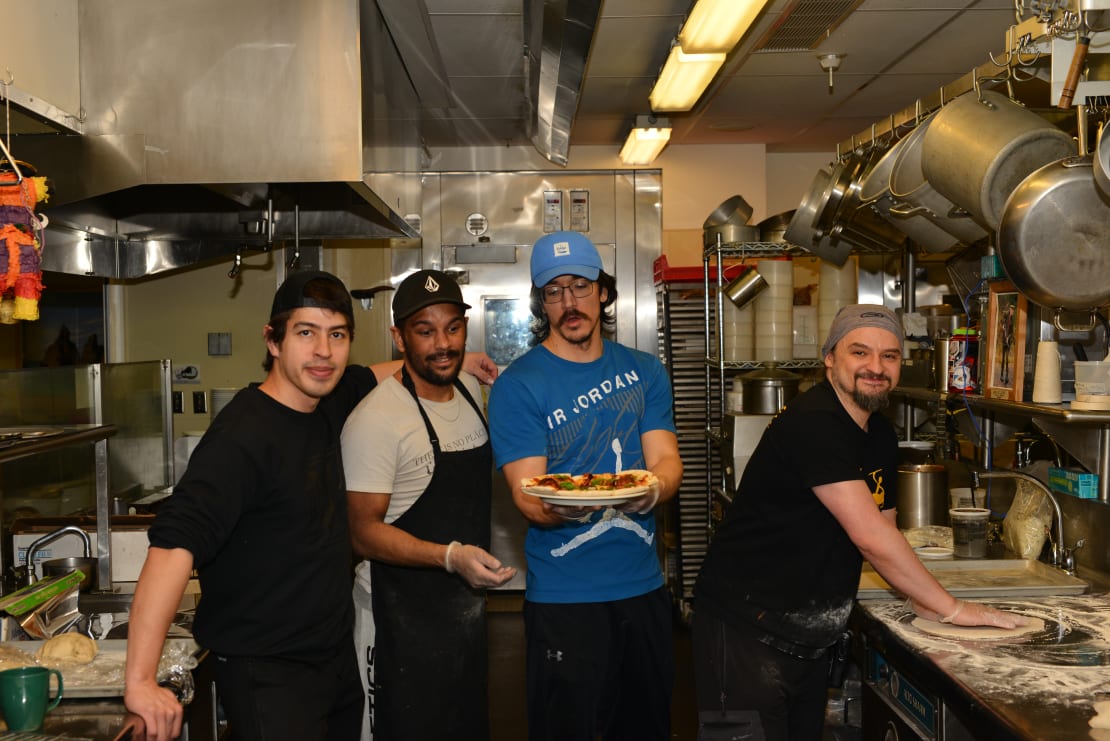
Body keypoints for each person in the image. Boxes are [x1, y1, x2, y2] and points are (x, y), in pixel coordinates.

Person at [123, 270, 496, 741]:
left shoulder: (328, 400)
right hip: (270, 671)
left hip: (334, 660)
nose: (324, 351)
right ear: (273, 341)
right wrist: (139, 680)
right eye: (306, 333)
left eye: (337, 335)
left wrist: (463, 362)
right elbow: (174, 545)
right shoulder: (242, 438)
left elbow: (378, 371)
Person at [692, 304, 1022, 741]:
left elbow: (884, 527)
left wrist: (920, 598)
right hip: (744, 631)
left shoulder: (879, 434)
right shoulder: (815, 424)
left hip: (807, 636)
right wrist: (953, 608)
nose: (876, 367)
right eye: (860, 352)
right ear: (830, 357)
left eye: (889, 356)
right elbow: (869, 538)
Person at [487, 231, 684, 741]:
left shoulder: (645, 372)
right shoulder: (519, 385)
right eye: (553, 291)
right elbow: (529, 496)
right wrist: (571, 507)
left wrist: (654, 489)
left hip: (644, 593)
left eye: (579, 286)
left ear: (603, 290)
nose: (569, 303)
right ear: (540, 302)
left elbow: (665, 460)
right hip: (565, 601)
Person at [341, 269, 516, 740]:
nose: (443, 343)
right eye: (425, 331)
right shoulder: (376, 419)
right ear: (399, 337)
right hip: (395, 625)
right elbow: (361, 532)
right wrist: (448, 556)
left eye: (453, 327)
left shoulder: (469, 389)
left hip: (463, 619)